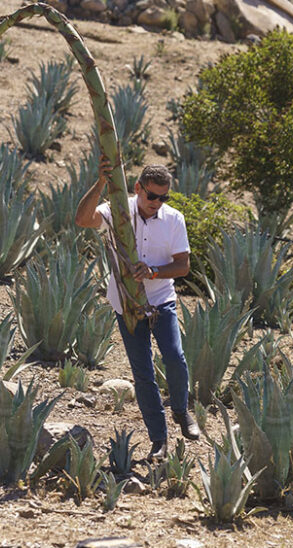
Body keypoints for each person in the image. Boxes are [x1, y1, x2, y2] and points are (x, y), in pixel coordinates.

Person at [75, 159, 200, 461]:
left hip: (161, 302)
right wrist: (101, 182)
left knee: (175, 357)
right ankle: (160, 441)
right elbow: (82, 219)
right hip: (126, 305)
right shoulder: (118, 210)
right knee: (143, 375)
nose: (156, 203)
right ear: (137, 189)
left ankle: (182, 410)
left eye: (163, 197)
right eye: (151, 196)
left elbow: (183, 266)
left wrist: (153, 271)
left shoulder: (173, 219)